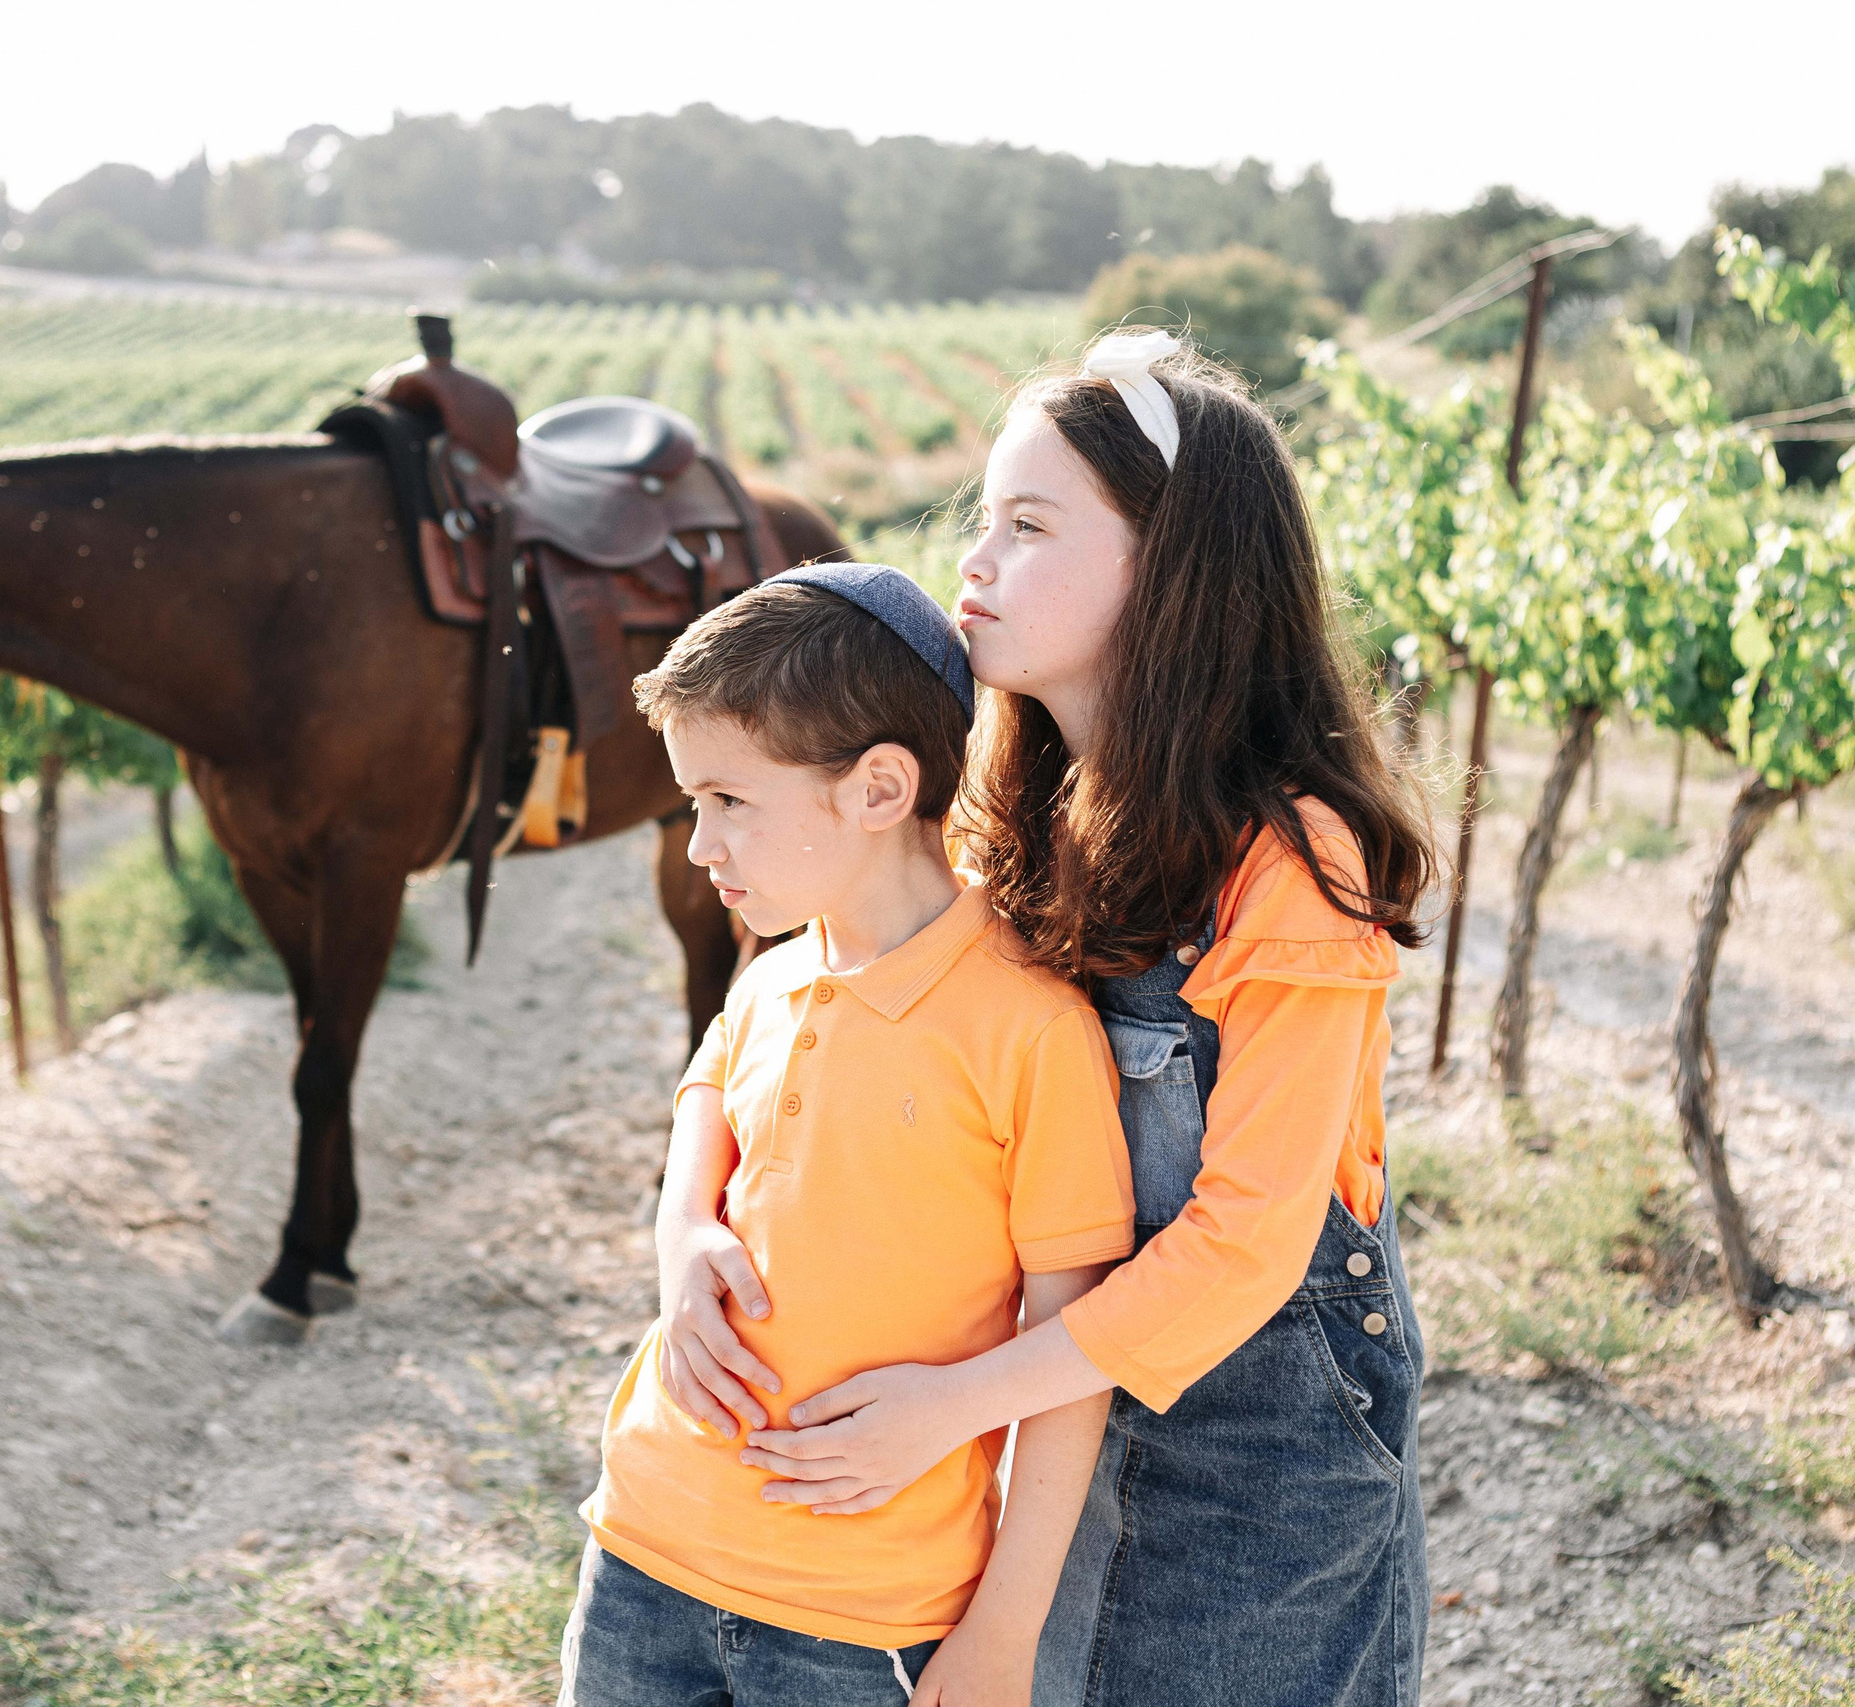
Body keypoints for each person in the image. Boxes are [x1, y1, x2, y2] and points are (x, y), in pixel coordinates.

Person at [663, 333, 1442, 1707]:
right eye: (984, 519)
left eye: (1027, 526)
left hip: (1260, 1434)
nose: (974, 560)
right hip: (1041, 1416)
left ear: (1177, 565)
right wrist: (687, 1225)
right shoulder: (1003, 822)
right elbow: (774, 1011)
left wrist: (955, 1400)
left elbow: (1247, 1246)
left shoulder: (1291, 860)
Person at [566, 564, 1140, 1707]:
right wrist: (681, 1238)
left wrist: (1004, 1633)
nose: (698, 844)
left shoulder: (1032, 1034)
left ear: (878, 788)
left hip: (862, 1624)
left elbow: (1069, 1367)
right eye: (692, 806)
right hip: (643, 1551)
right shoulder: (771, 979)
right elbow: (704, 1099)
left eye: (726, 801)